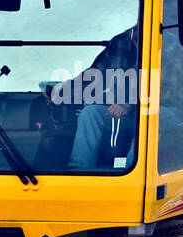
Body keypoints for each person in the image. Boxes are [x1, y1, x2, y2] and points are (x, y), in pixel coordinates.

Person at [47, 24, 140, 169]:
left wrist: (130, 106)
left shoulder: (167, 44)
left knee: (151, 121)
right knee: (90, 113)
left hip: (160, 113)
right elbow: (94, 75)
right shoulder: (121, 42)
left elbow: (170, 92)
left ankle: (131, 173)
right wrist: (61, 93)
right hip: (122, 113)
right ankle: (79, 170)